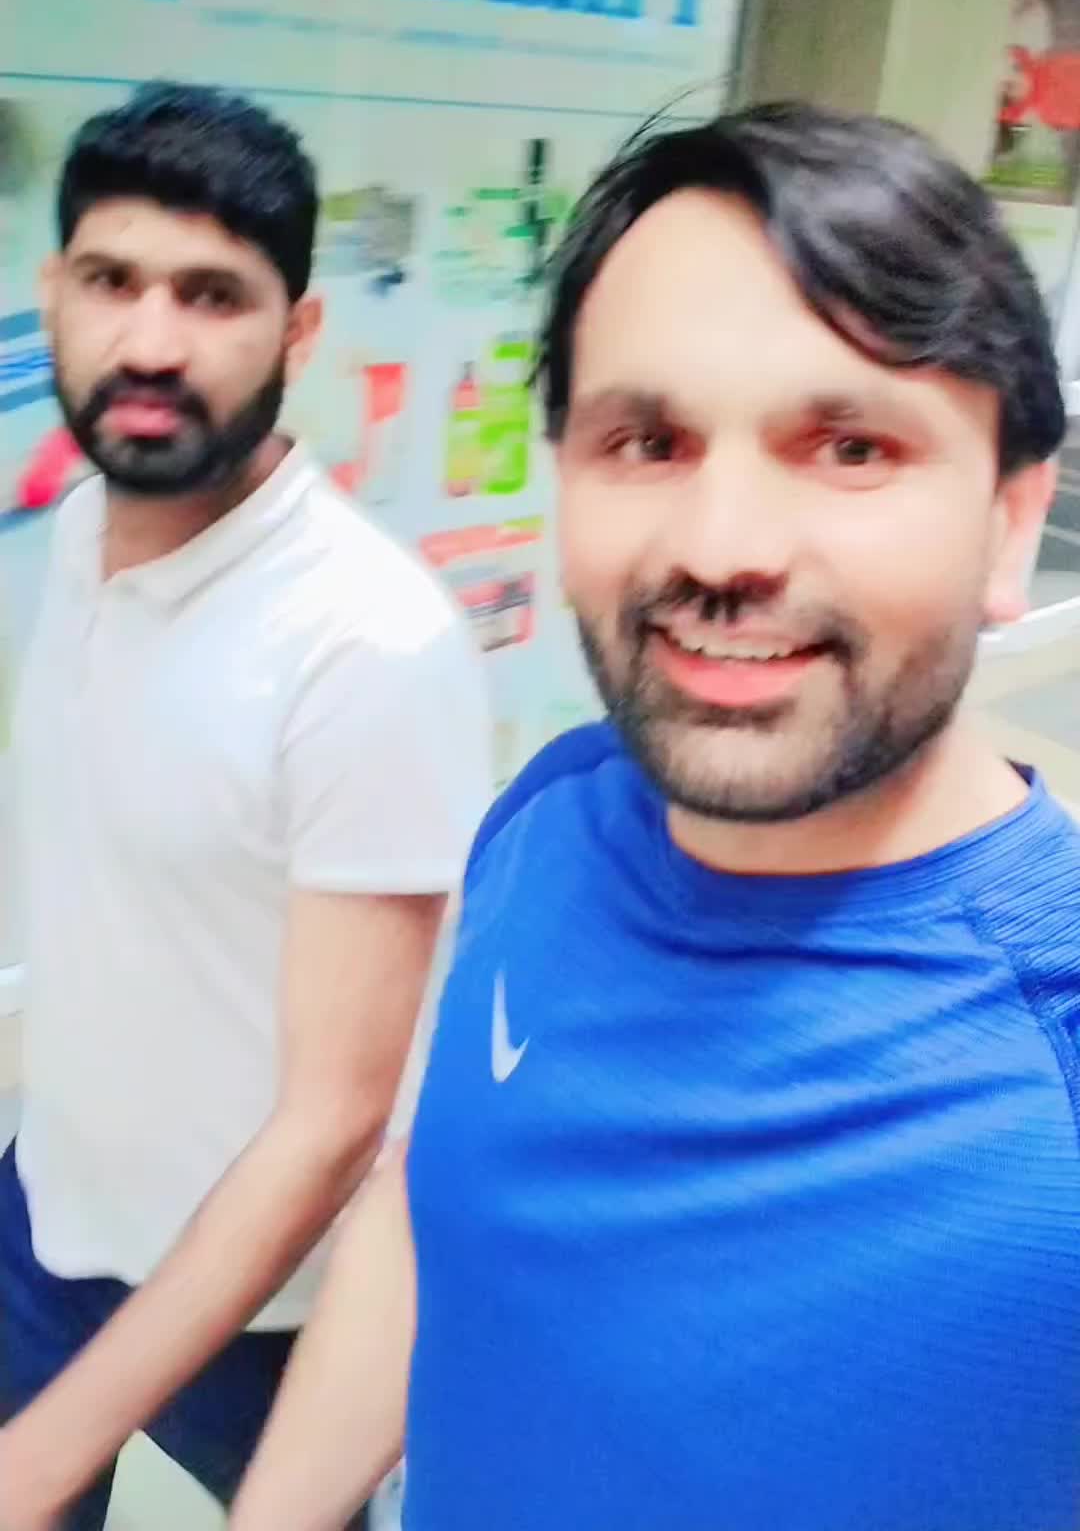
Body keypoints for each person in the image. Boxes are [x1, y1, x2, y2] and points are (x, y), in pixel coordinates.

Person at [231, 102, 1080, 1531]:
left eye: (851, 446)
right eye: (647, 440)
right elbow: (439, 1214)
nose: (721, 549)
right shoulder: (546, 818)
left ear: (1008, 520)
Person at [0, 84, 490, 1529]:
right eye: (112, 282)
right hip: (48, 1211)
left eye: (212, 295)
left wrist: (40, 1456)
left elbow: (334, 1122)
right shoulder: (77, 534)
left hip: (267, 1303)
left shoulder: (365, 645)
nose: (151, 342)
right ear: (54, 294)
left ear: (299, 332)